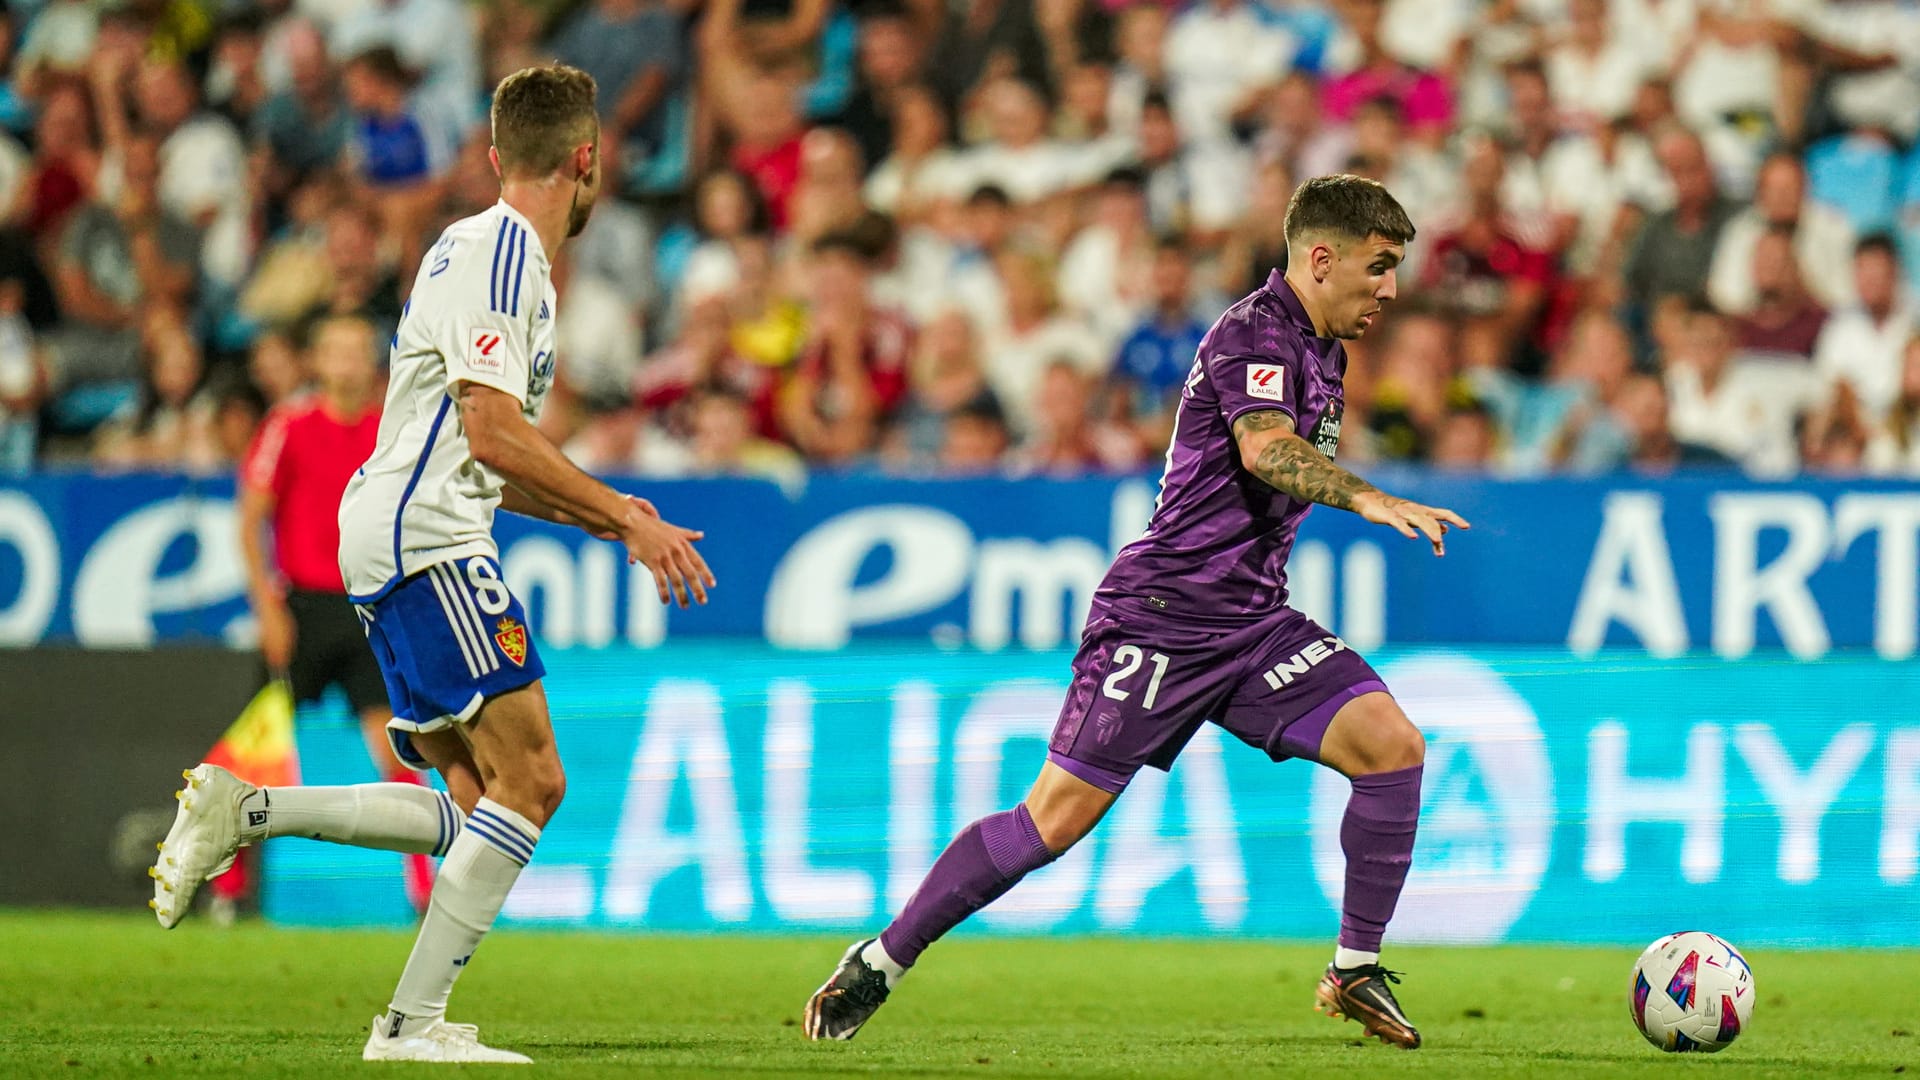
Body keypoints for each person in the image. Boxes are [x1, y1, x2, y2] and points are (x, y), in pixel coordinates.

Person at [803, 174, 1467, 1050]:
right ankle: (881, 959)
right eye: (1378, 267)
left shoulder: (1324, 353)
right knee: (1051, 822)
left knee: (1392, 746)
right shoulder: (1255, 333)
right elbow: (1266, 450)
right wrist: (1369, 498)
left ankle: (1353, 970)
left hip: (1253, 621)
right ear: (1320, 259)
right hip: (1162, 615)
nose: (1390, 289)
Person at [148, 65, 715, 1064]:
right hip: (428, 535)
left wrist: (601, 521)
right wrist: (624, 511)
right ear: (588, 158)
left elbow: (484, 451)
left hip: (406, 526)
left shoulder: (485, 252)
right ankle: (408, 1026)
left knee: (481, 804)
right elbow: (492, 433)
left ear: (496, 155)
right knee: (534, 782)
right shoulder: (505, 254)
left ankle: (247, 809)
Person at [234, 315, 431, 912]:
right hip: (302, 608)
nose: (346, 363)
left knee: (397, 748)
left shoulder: (391, 430)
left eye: (356, 351)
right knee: (259, 750)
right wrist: (268, 608)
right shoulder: (289, 425)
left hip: (369, 606)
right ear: (316, 361)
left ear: (372, 361)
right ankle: (228, 886)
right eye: (335, 351)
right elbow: (250, 520)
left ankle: (424, 886)